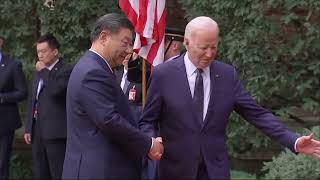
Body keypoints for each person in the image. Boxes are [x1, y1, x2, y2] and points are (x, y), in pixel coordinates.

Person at [139, 16, 320, 179]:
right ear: (186, 42)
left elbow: (257, 114)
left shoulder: (226, 75)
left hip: (214, 170)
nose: (209, 54)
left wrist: (293, 141)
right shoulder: (164, 74)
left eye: (214, 47)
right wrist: (152, 140)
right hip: (175, 170)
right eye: (203, 48)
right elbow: (148, 121)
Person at [62, 13, 163, 180]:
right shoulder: (93, 72)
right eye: (125, 43)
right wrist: (149, 144)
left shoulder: (93, 67)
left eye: (131, 45)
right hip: (98, 170)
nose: (129, 51)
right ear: (104, 37)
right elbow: (109, 120)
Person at [24, 34, 73, 180]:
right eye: (38, 51)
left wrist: (44, 71)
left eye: (44, 51)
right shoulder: (38, 72)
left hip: (56, 132)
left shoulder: (66, 70)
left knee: (57, 172)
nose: (40, 55)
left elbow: (56, 90)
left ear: (55, 51)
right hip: (37, 131)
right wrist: (28, 127)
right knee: (41, 172)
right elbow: (33, 99)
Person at [0, 36, 28, 179]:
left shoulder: (12, 65)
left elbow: (22, 92)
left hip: (4, 124)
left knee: (2, 164)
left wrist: (3, 97)